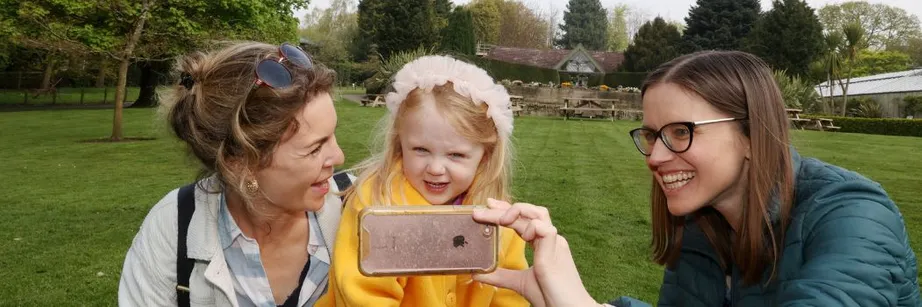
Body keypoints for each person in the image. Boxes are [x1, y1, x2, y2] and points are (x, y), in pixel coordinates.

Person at [470, 50, 922, 307]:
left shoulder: (854, 216)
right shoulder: (702, 226)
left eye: (681, 132)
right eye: (652, 135)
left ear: (752, 134)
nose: (655, 156)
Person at [118, 41, 354, 307]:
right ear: (239, 163)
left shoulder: (362, 206)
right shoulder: (173, 228)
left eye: (332, 135)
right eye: (315, 148)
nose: (339, 157)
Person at [315, 55, 528, 307]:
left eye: (456, 155)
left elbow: (509, 294)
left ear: (485, 156)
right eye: (421, 150)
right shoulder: (378, 203)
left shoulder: (498, 218)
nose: (435, 169)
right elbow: (364, 297)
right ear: (400, 143)